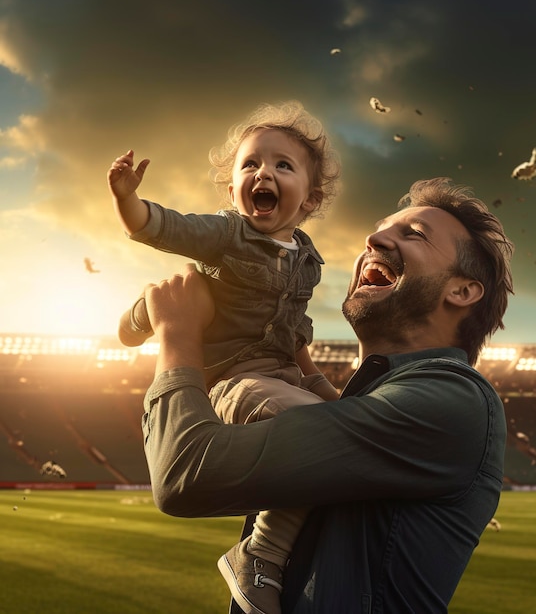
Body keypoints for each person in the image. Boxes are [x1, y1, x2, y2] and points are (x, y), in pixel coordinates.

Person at [140, 178, 514, 614]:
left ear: (462, 290)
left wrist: (177, 335)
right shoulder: (360, 401)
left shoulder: (453, 401)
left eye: (413, 234)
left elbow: (184, 474)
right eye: (381, 228)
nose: (374, 238)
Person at [107, 101, 342, 614]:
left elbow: (296, 332)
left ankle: (266, 553)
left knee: (339, 435)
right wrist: (129, 200)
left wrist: (324, 387)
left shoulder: (309, 261)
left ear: (311, 198)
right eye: (251, 164)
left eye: (283, 165)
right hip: (234, 381)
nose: (265, 173)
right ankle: (260, 554)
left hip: (283, 377)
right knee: (315, 430)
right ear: (233, 189)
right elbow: (163, 227)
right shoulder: (226, 233)